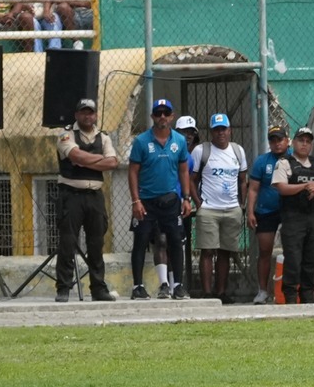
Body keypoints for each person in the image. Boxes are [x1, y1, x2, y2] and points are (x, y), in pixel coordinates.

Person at [127, 97, 194, 300]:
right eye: (158, 113)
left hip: (171, 200)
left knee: (175, 240)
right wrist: (135, 201)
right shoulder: (141, 141)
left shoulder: (179, 141)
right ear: (152, 116)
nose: (162, 117)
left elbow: (184, 171)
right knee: (141, 241)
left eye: (166, 113)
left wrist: (186, 197)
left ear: (172, 116)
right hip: (146, 201)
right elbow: (132, 172)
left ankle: (178, 286)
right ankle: (138, 286)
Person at [54, 96, 119, 301]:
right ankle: (63, 288)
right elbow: (76, 157)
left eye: (90, 112)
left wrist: (86, 161)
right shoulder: (66, 134)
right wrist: (99, 160)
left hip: (94, 197)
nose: (87, 115)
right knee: (67, 243)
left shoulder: (104, 137)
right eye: (83, 112)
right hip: (71, 195)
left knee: (96, 244)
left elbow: (113, 163)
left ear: (95, 115)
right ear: (76, 115)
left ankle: (98, 289)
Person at [189, 112, 247, 303]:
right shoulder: (201, 151)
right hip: (209, 208)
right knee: (207, 250)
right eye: (216, 130)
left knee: (225, 252)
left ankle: (220, 292)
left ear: (230, 130)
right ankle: (207, 293)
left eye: (223, 129)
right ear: (211, 132)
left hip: (231, 208)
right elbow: (192, 179)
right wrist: (198, 203)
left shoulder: (238, 151)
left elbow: (243, 179)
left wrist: (241, 203)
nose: (220, 133)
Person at [270, 124, 314, 303]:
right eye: (301, 141)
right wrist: (304, 186)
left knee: (311, 259)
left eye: (308, 142)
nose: (304, 144)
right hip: (293, 218)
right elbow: (281, 187)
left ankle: (308, 297)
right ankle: (289, 298)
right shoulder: (284, 163)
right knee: (293, 260)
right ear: (293, 142)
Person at [245, 126, 290, 304]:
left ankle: (290, 289)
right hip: (266, 210)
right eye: (273, 140)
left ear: (287, 140)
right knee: (265, 250)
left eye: (280, 139)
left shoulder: (294, 158)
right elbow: (253, 189)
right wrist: (250, 211)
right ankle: (262, 291)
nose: (277, 143)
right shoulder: (262, 161)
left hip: (290, 210)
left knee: (292, 250)